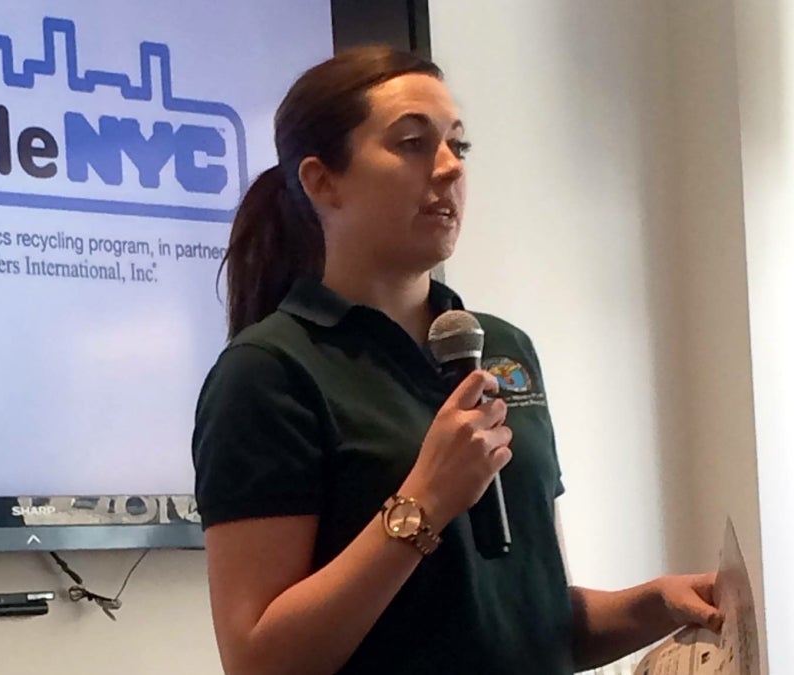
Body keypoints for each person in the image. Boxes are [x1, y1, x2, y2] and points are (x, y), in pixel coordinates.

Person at [191, 46, 721, 675]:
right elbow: (259, 660)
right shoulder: (269, 371)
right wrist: (425, 502)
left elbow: (532, 621)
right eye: (412, 144)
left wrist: (654, 605)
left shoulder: (501, 349)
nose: (447, 169)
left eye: (458, 147)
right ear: (321, 181)